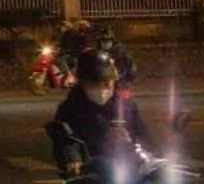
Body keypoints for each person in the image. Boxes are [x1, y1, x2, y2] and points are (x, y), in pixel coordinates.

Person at [47, 49, 152, 178]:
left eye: (106, 84)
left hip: (127, 170)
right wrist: (72, 159)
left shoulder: (126, 107)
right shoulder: (69, 108)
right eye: (93, 85)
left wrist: (130, 142)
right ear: (83, 83)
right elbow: (64, 140)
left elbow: (144, 138)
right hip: (89, 172)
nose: (102, 90)